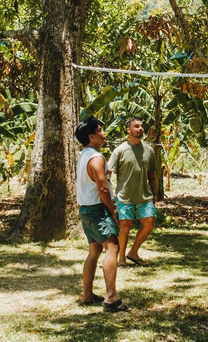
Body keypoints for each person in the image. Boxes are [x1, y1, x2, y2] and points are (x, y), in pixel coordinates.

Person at [75, 117, 128, 312]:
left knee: (94, 250)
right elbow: (102, 188)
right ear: (91, 136)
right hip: (97, 208)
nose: (103, 133)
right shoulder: (96, 158)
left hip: (85, 208)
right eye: (100, 130)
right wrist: (112, 212)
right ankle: (111, 297)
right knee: (112, 246)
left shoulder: (84, 155)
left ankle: (87, 295)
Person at [108, 117, 158, 266]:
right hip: (125, 197)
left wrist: (154, 193)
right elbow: (109, 173)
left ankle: (133, 252)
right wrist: (110, 194)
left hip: (144, 196)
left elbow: (152, 175)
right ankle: (121, 258)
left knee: (149, 223)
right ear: (128, 130)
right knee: (126, 225)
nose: (140, 129)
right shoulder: (120, 150)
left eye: (141, 126)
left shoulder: (148, 149)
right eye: (136, 126)